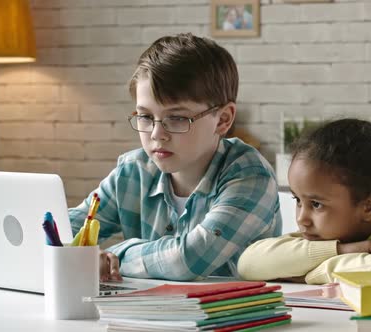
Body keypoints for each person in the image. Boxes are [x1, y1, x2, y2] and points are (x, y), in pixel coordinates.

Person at [69, 33, 281, 282]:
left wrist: (109, 256)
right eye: (146, 117)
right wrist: (70, 250)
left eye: (178, 118)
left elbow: (187, 259)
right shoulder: (133, 171)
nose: (157, 134)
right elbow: (63, 234)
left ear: (223, 120)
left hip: (231, 317)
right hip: (150, 315)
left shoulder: (250, 175)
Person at [237, 119, 371, 285]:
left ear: (369, 206)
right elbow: (248, 263)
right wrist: (341, 250)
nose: (301, 218)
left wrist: (314, 274)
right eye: (297, 200)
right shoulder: (330, 236)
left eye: (316, 204)